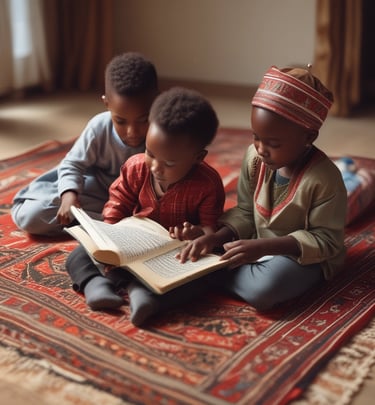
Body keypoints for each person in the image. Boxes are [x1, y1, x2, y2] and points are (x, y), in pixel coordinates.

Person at [178, 65, 347, 312]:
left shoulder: (324, 179)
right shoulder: (254, 159)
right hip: (255, 245)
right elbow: (245, 211)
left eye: (273, 143)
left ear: (309, 137)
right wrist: (216, 237)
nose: (260, 148)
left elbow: (326, 241)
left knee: (265, 289)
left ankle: (208, 275)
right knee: (200, 245)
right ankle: (218, 270)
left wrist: (265, 247)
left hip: (302, 257)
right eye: (256, 136)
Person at [66, 87, 226, 326]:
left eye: (169, 162)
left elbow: (210, 230)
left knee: (209, 275)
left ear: (198, 157)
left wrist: (196, 234)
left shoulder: (208, 184)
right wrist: (109, 237)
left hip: (173, 256)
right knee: (78, 255)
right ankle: (96, 285)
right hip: (132, 247)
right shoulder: (136, 167)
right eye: (150, 153)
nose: (155, 168)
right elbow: (117, 204)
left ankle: (148, 297)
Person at [11, 52, 159, 236]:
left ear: (156, 103)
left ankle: (110, 224)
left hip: (141, 201)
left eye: (143, 120)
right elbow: (73, 165)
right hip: (98, 194)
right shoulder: (99, 127)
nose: (132, 132)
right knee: (32, 216)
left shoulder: (163, 133)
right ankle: (110, 225)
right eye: (121, 121)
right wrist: (69, 197)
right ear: (107, 104)